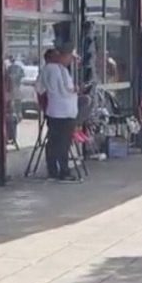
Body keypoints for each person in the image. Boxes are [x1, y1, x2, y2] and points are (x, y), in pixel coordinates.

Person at [37, 47, 80, 183]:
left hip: (55, 112)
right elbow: (65, 90)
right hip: (63, 113)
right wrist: (76, 90)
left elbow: (39, 89)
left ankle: (53, 170)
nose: (69, 61)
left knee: (54, 142)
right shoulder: (56, 69)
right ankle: (63, 171)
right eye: (68, 57)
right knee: (63, 143)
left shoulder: (48, 70)